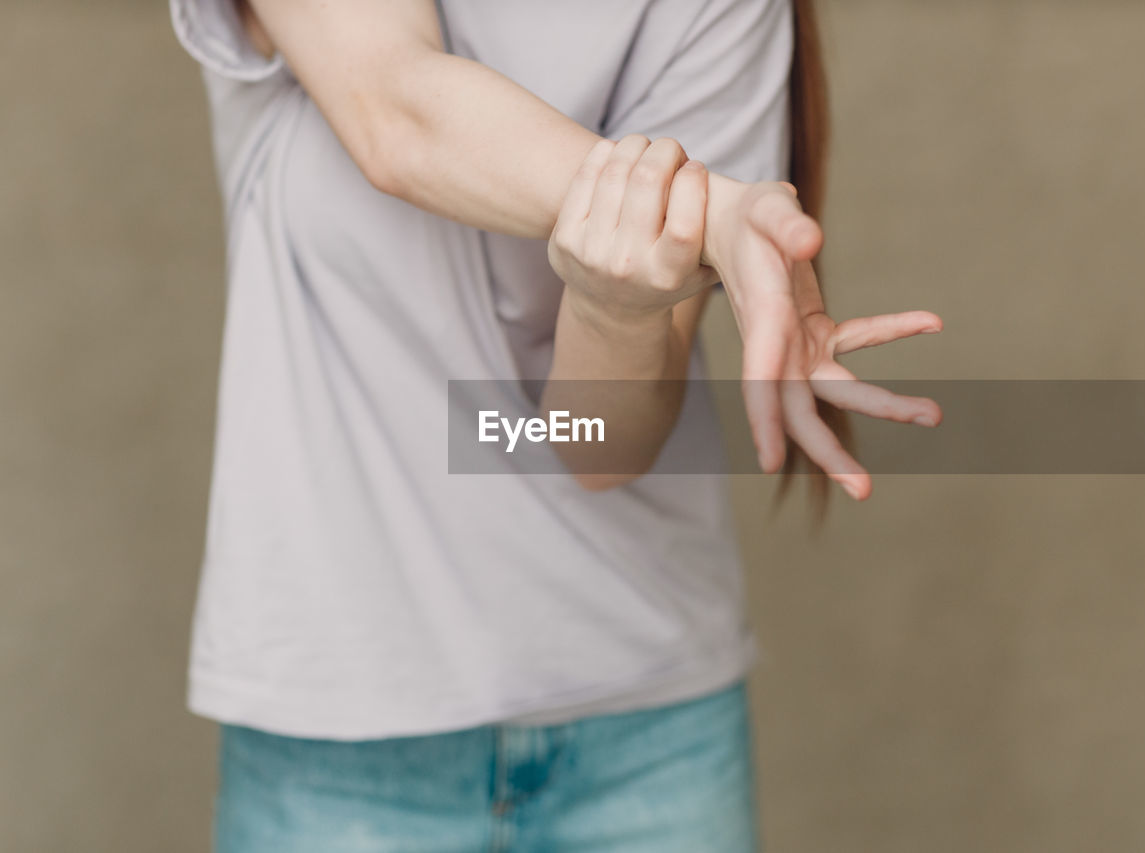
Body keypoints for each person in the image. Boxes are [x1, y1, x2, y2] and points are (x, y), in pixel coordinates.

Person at [169, 0, 942, 849]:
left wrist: (619, 306)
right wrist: (713, 216)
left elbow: (598, 445)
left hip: (646, 732)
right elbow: (398, 115)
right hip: (342, 735)